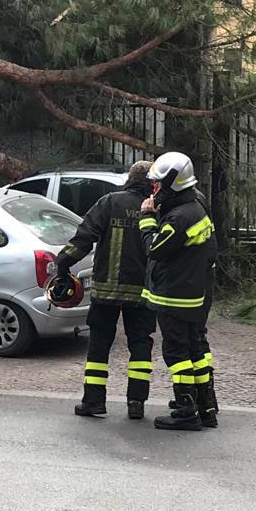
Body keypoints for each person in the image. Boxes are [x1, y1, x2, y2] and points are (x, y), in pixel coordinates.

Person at [56, 161, 156, 420]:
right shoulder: (156, 207)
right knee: (141, 346)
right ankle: (137, 403)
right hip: (143, 293)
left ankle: (93, 401)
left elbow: (84, 238)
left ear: (130, 179)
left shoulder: (110, 202)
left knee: (99, 346)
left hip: (106, 292)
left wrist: (62, 263)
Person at [138, 151, 218, 431]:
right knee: (196, 348)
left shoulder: (180, 217)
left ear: (172, 183)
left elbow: (154, 249)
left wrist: (146, 218)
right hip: (194, 293)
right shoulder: (196, 204)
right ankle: (205, 405)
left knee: (176, 353)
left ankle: (186, 410)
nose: (154, 189)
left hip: (175, 296)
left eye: (158, 184)